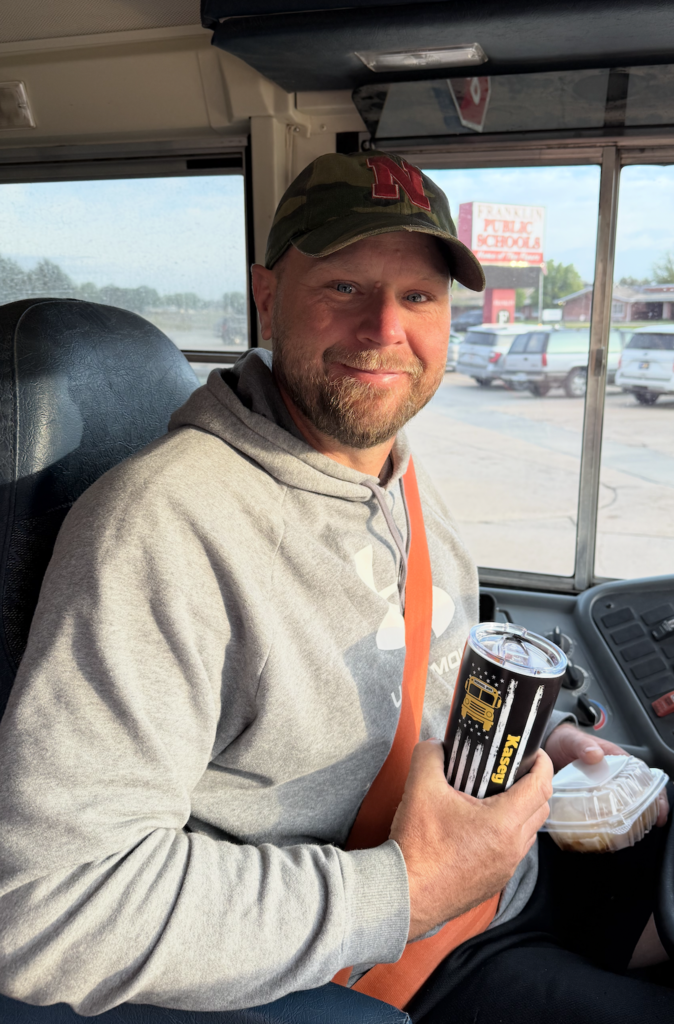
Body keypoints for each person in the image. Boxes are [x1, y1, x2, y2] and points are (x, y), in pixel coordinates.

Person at [0, 151, 671, 1023]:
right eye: (346, 288)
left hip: (503, 883)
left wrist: (542, 749)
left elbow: (417, 687)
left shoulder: (396, 481)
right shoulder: (163, 526)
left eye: (420, 297)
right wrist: (404, 891)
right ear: (267, 296)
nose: (387, 325)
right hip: (391, 967)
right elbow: (48, 907)